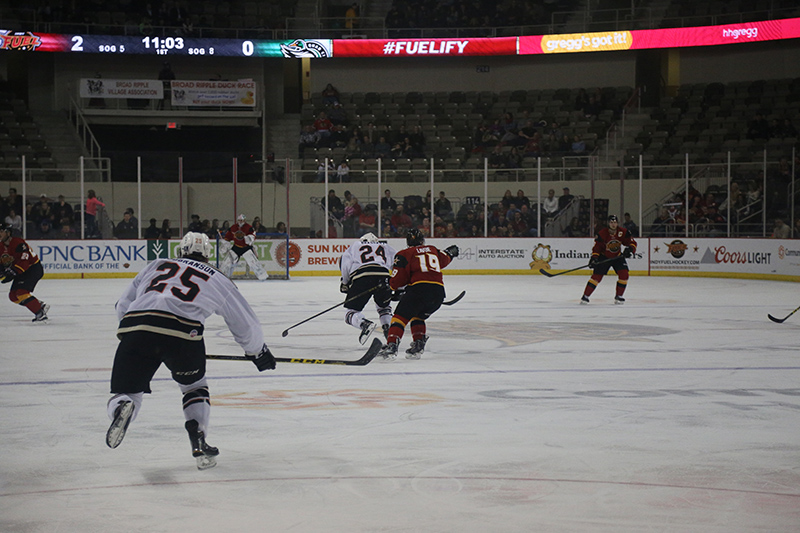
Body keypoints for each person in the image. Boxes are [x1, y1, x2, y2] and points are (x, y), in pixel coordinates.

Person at [105, 232, 276, 470]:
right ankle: (198, 436)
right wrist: (257, 352)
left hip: (137, 328)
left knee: (127, 392)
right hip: (183, 336)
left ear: (180, 251)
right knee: (194, 386)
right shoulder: (217, 277)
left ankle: (122, 407)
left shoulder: (157, 264)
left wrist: (136, 333)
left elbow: (123, 304)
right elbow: (245, 323)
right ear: (207, 254)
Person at [378, 228, 459, 360]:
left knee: (399, 318)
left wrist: (390, 284)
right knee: (418, 316)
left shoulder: (404, 253)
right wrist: (451, 253)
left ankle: (391, 345)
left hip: (419, 290)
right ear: (422, 240)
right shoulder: (433, 250)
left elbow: (398, 280)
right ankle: (418, 344)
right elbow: (444, 259)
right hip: (438, 293)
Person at [339, 232, 396, 344]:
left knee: (350, 312)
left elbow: (345, 264)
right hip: (383, 276)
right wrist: (399, 286)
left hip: (363, 277)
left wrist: (345, 283)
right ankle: (390, 335)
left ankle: (364, 324)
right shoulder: (385, 246)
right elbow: (397, 263)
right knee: (384, 307)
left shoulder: (356, 245)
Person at [580, 215, 637, 305]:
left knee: (624, 274)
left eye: (615, 222)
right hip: (604, 257)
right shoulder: (602, 233)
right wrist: (594, 258)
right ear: (608, 223)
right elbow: (597, 248)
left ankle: (619, 296)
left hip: (617, 257)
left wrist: (630, 249)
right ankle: (585, 296)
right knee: (596, 277)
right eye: (611, 222)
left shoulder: (623, 232)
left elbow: (632, 242)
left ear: (617, 223)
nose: (613, 224)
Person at [0, 223, 49, 322]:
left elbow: (24, 262)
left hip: (33, 269)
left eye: (1, 231)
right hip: (20, 271)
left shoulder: (19, 243)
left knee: (21, 293)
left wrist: (12, 272)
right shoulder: (1, 246)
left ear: (8, 233)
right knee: (13, 296)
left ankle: (40, 314)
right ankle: (39, 305)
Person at [219, 214, 268, 280]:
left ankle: (263, 276)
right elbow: (228, 237)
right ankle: (223, 277)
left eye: (242, 220)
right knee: (228, 262)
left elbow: (253, 235)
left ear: (244, 220)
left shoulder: (249, 227)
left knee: (253, 263)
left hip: (246, 247)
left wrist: (248, 238)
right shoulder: (233, 227)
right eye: (239, 220)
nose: (240, 222)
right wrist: (225, 243)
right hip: (236, 247)